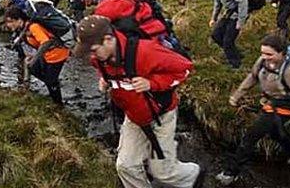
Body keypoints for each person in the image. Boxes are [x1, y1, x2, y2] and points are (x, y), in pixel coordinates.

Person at [73, 15, 203, 188]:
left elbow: (184, 68)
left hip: (161, 115)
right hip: (134, 116)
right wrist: (104, 79)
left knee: (163, 173)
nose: (91, 56)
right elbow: (108, 71)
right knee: (126, 166)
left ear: (108, 39)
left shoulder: (145, 52)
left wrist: (152, 83)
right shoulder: (100, 58)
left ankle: (194, 175)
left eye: (93, 50)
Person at [216, 34, 290, 186]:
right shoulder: (262, 62)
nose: (265, 57)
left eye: (269, 54)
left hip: (284, 108)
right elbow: (252, 77)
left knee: (250, 137)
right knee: (280, 135)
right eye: (262, 53)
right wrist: (236, 96)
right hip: (270, 104)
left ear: (282, 53)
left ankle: (230, 173)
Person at [4, 6, 70, 105]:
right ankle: (52, 85)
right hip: (47, 54)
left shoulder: (33, 27)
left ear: (19, 19)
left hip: (57, 54)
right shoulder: (23, 29)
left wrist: (34, 59)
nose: (8, 25)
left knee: (48, 78)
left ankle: (58, 104)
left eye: (11, 21)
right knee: (35, 70)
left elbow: (45, 42)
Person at [207, 0, 247, 69]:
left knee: (228, 41)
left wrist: (240, 21)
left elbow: (243, 1)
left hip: (237, 15)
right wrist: (213, 18)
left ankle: (236, 65)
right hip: (228, 14)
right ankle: (235, 53)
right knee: (216, 35)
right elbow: (217, 4)